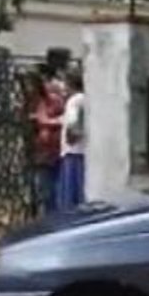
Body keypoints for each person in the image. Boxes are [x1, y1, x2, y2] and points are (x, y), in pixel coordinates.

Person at [26, 68, 64, 216]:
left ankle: (52, 215)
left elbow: (57, 120)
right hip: (41, 151)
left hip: (51, 152)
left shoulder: (52, 101)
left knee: (49, 189)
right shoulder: (36, 102)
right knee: (43, 188)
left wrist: (41, 120)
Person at [56, 72, 86, 210]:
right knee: (81, 191)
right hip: (81, 151)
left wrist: (70, 137)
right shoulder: (85, 99)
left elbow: (72, 122)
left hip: (72, 152)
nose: (63, 87)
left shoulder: (74, 101)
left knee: (70, 194)